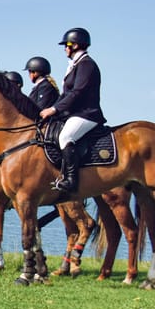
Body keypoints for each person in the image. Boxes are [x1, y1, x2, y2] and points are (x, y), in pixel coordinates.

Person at [40, 27, 105, 195]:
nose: (65, 49)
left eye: (66, 45)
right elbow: (66, 94)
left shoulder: (86, 65)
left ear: (74, 45)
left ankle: (71, 180)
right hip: (75, 113)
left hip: (87, 114)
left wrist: (54, 109)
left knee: (66, 136)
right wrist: (51, 110)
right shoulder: (76, 65)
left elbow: (77, 92)